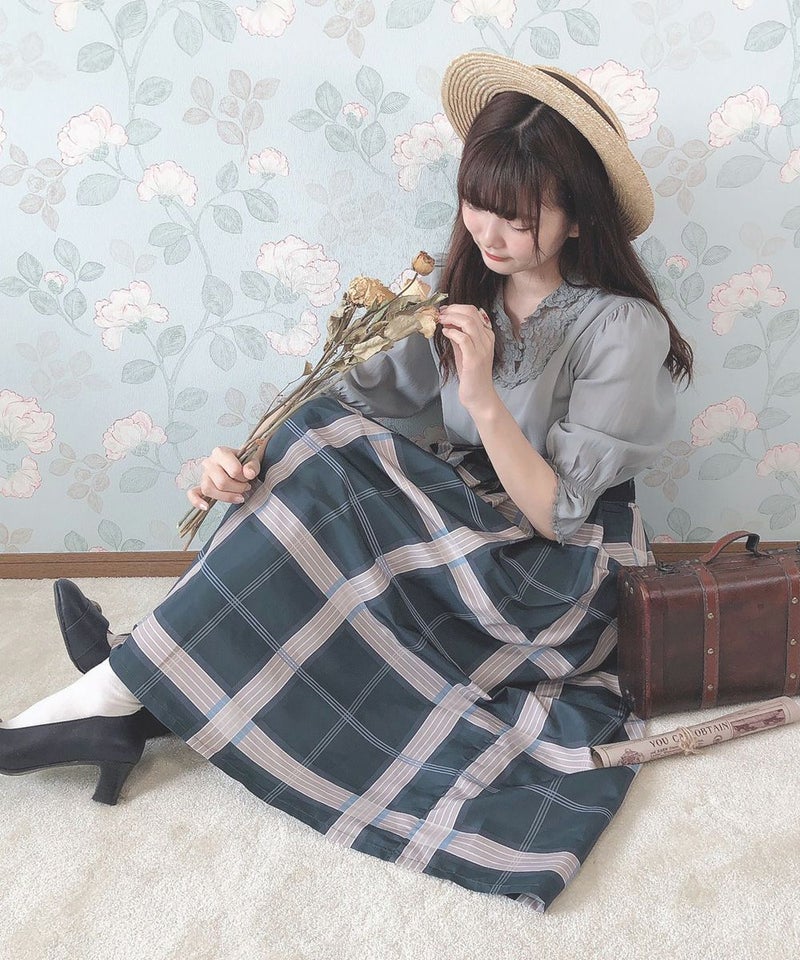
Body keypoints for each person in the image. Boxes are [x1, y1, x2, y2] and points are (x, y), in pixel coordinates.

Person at [1, 52, 692, 912]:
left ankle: (123, 683)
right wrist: (240, 464)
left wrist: (480, 395)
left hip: (550, 573)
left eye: (518, 218)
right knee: (315, 443)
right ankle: (135, 685)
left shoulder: (623, 328)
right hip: (469, 526)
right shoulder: (458, 299)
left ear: (579, 219)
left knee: (333, 470)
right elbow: (337, 406)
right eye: (477, 203)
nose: (489, 232)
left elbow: (559, 514)